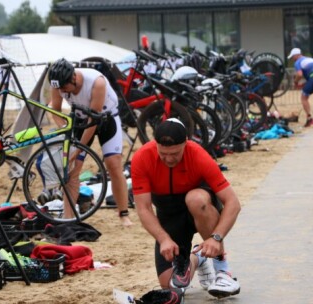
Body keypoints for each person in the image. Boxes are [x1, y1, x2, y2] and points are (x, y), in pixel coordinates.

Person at [131, 118, 241, 299]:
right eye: (163, 153)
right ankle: (199, 257)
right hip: (169, 212)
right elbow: (143, 209)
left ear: (186, 143)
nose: (168, 159)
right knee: (171, 287)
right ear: (155, 144)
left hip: (199, 205)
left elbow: (233, 203)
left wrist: (216, 238)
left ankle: (222, 271)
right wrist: (164, 239)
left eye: (175, 153)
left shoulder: (198, 155)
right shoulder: (142, 158)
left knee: (196, 199)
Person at [48, 58, 133, 227]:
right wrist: (64, 128)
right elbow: (54, 109)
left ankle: (123, 213)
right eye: (60, 89)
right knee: (72, 169)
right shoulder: (57, 83)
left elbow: (93, 122)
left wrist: (79, 150)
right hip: (80, 120)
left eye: (65, 89)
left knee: (113, 163)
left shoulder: (96, 82)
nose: (63, 92)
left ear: (73, 78)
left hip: (105, 119)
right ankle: (68, 217)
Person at [287, 48, 313, 127]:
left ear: (296, 55)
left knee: (303, 98)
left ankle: (309, 118)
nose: (292, 59)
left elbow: (299, 74)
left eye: (292, 57)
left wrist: (295, 82)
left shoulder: (298, 62)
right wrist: (306, 83)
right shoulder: (310, 59)